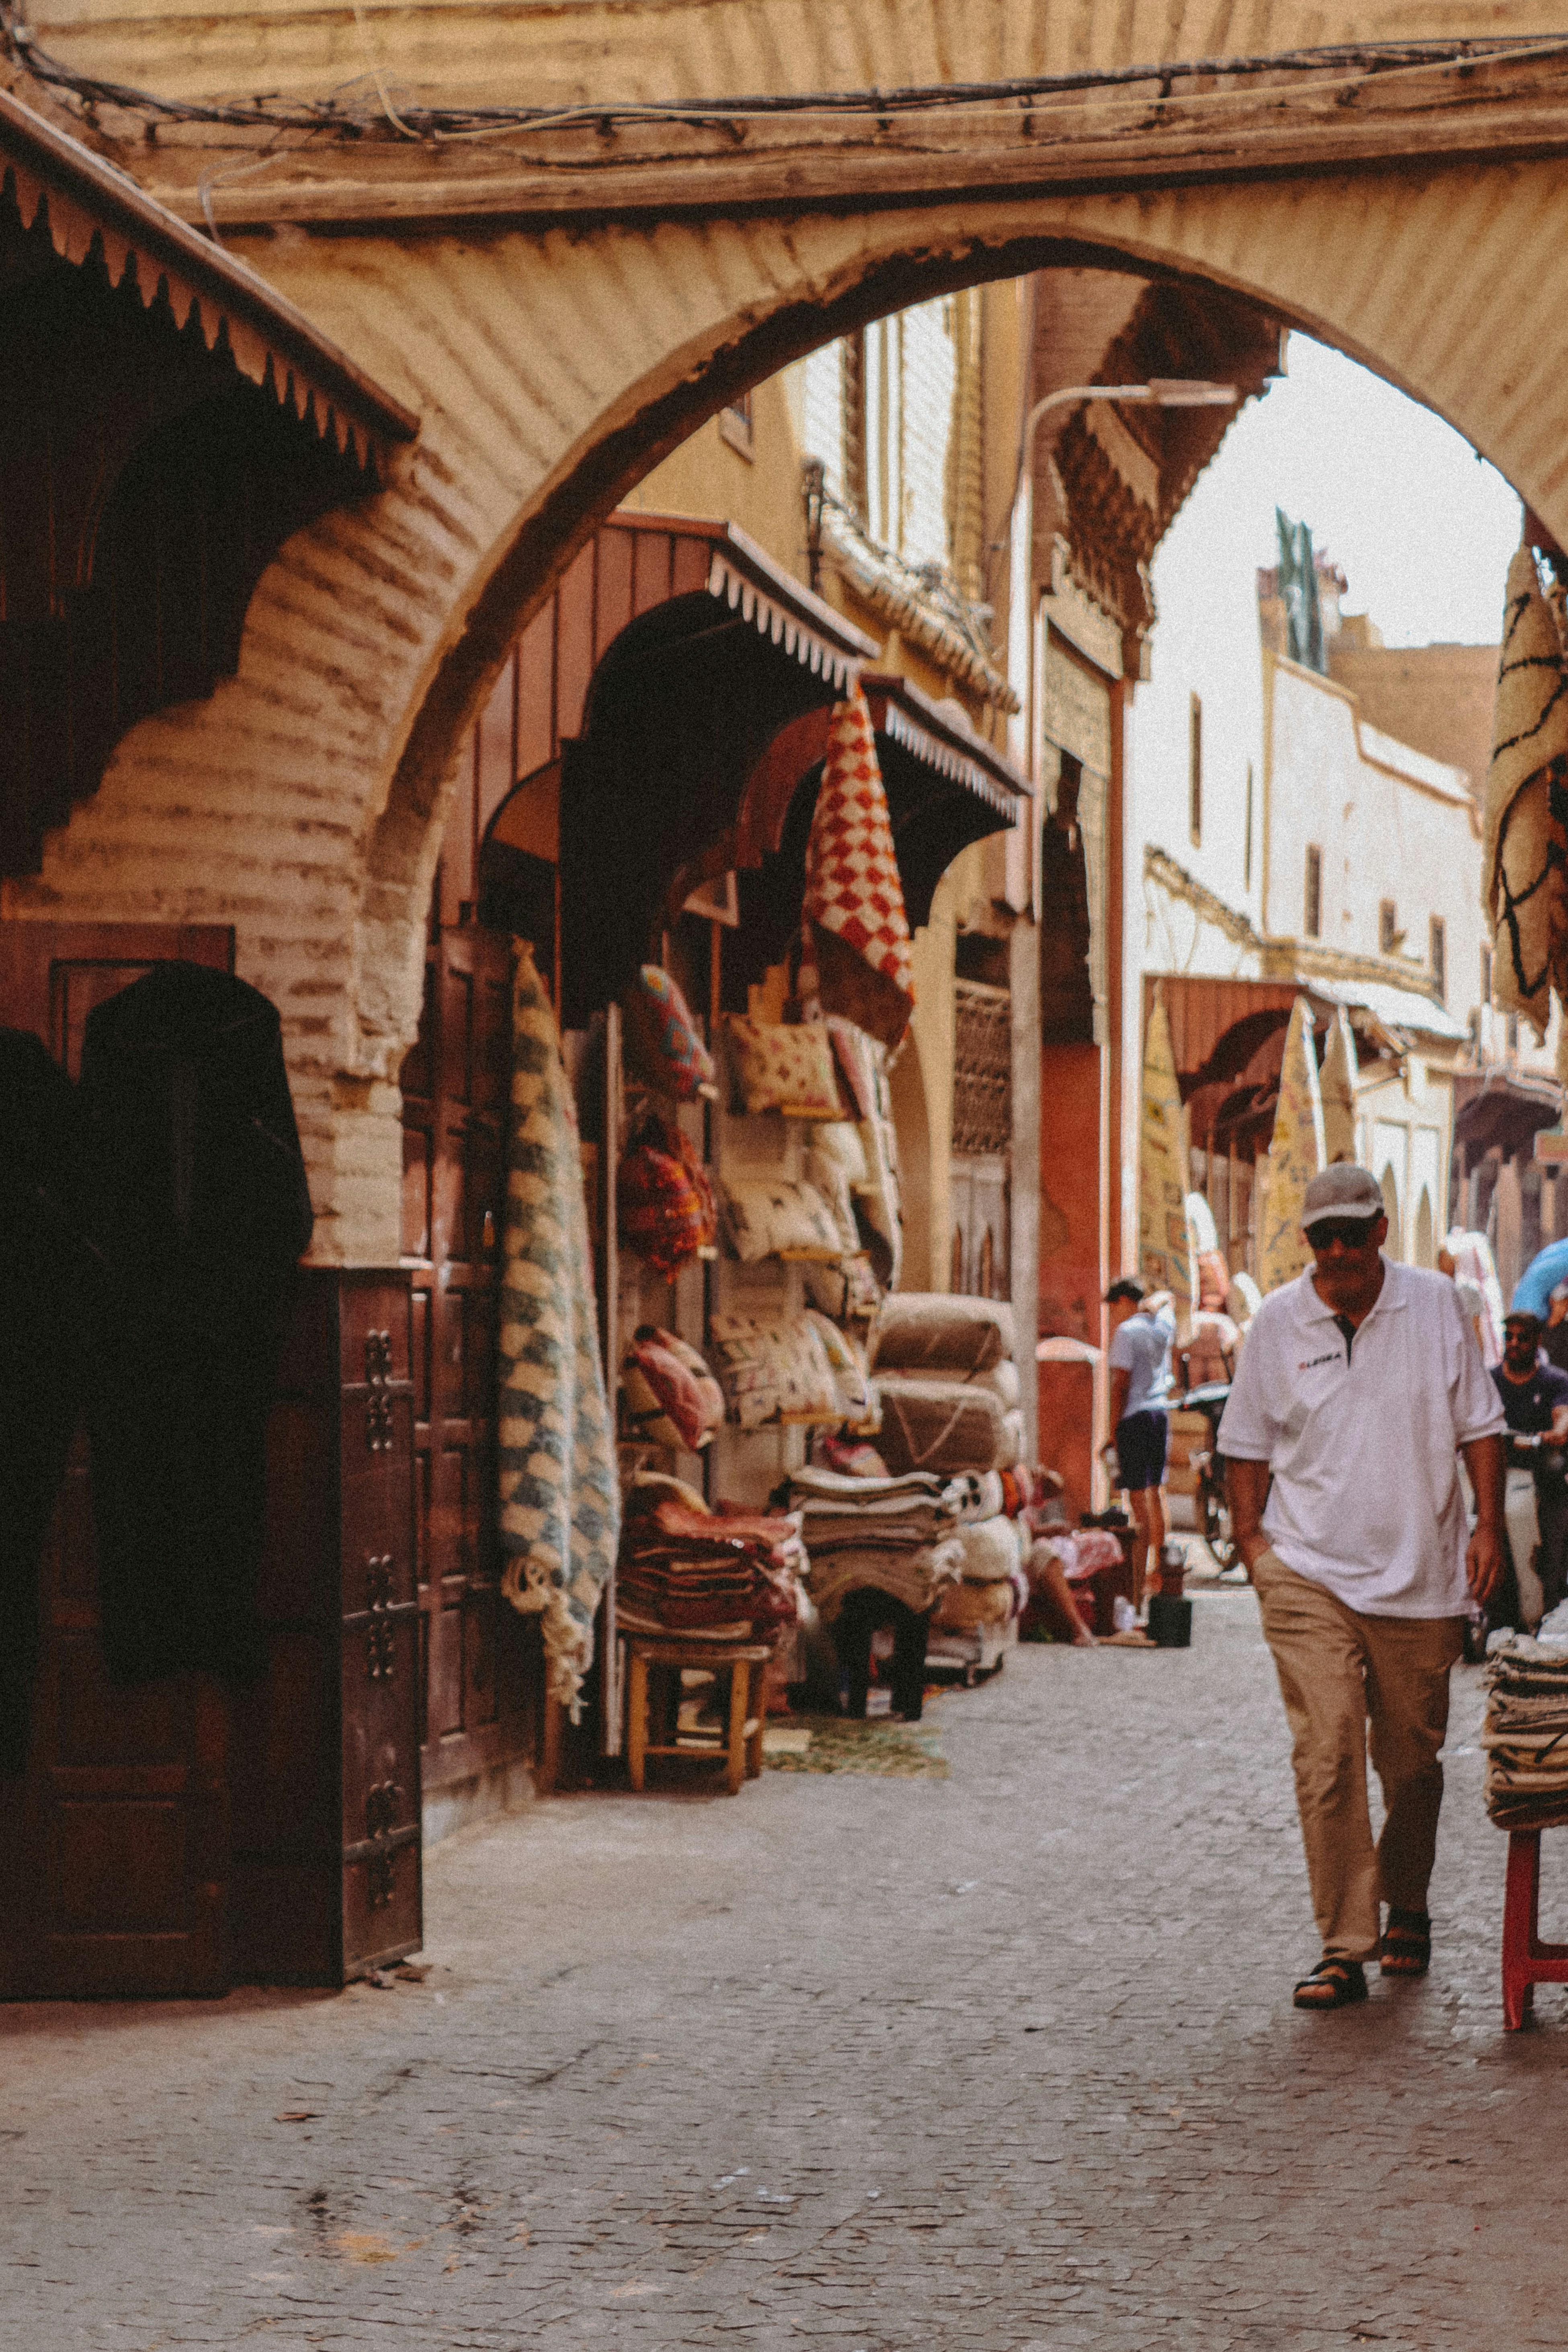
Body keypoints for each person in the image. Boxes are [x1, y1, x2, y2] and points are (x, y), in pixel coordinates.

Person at [1219, 1163, 1506, 2014]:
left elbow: (1481, 1427)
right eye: (1322, 1237)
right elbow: (1245, 1441)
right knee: (1328, 1747)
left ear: (1383, 1230)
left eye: (1352, 1232)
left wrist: (1488, 1527)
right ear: (1307, 1243)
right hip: (1307, 1570)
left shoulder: (1437, 1307)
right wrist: (1251, 1543)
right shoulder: (1278, 1322)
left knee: (1412, 1765)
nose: (1338, 1250)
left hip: (1422, 1578)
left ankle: (1406, 1899)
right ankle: (1345, 1943)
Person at [1492, 1309, 1568, 1623]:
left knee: (1554, 1541)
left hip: (1540, 1470)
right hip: (1499, 1471)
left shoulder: (1554, 1380)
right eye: (1508, 1336)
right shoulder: (1489, 1380)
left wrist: (1556, 1433)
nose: (1514, 1343)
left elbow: (1562, 1415)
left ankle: (1551, 1596)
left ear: (1537, 1341)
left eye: (1522, 1338)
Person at [1105, 1276, 1175, 1610]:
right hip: (1160, 1413)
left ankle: (1139, 1574)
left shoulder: (1126, 1333)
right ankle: (1161, 1571)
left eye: (1114, 1305)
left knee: (1137, 1498)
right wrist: (1155, 1301)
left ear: (1123, 1301)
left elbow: (1120, 1383)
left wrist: (1110, 1430)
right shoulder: (1161, 1326)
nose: (1113, 1313)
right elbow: (1168, 1298)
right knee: (1157, 1492)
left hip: (1133, 1417)